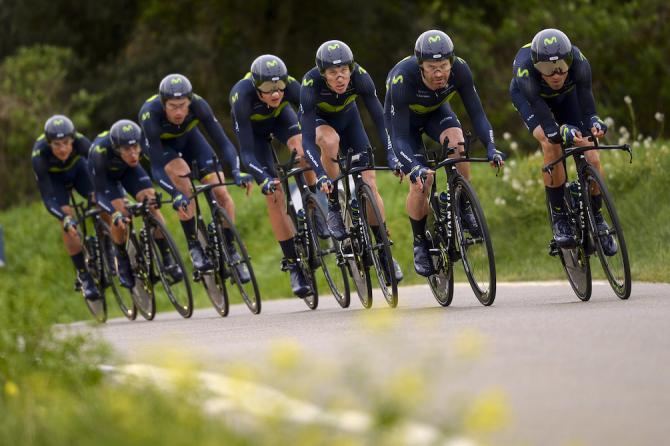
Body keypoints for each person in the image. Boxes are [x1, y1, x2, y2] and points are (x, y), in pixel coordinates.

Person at [384, 29, 504, 277]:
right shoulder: (402, 79)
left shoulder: (460, 69)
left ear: (451, 62)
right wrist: (413, 167)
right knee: (421, 182)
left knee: (458, 143)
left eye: (444, 65)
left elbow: (477, 114)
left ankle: (462, 203)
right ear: (420, 66)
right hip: (405, 127)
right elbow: (397, 137)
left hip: (436, 113)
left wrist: (491, 147)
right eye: (431, 67)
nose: (439, 73)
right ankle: (420, 243)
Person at [300, 39, 403, 283]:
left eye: (344, 71)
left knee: (370, 183)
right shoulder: (310, 84)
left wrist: (391, 153)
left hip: (350, 122)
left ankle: (383, 250)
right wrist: (320, 174)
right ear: (323, 74)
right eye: (333, 72)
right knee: (330, 141)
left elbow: (381, 119)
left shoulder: (361, 78)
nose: (340, 77)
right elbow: (306, 141)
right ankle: (334, 203)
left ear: (351, 69)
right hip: (321, 125)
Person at [509, 28, 615, 254]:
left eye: (560, 67)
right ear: (536, 65)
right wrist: (561, 131)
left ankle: (597, 216)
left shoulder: (579, 61)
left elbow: (587, 101)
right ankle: (559, 217)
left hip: (568, 98)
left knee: (590, 151)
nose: (555, 74)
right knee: (551, 144)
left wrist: (594, 121)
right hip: (532, 101)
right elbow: (548, 125)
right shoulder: (524, 69)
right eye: (547, 69)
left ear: (569, 60)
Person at [230, 54, 327, 297]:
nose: (275, 93)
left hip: (282, 120)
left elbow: (316, 115)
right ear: (256, 86)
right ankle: (293, 264)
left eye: (279, 87)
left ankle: (314, 205)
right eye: (267, 88)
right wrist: (263, 178)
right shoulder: (241, 96)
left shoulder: (292, 87)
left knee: (303, 150)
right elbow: (247, 154)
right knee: (274, 196)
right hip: (255, 136)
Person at [139, 73, 252, 279]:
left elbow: (224, 142)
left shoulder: (199, 105)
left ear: (190, 101)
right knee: (183, 181)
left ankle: (231, 248)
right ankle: (194, 246)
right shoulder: (150, 115)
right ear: (163, 104)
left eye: (183, 105)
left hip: (190, 139)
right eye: (173, 106)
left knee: (222, 192)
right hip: (162, 148)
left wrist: (236, 171)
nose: (179, 111)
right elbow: (156, 168)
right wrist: (174, 193)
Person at [88, 119, 183, 289]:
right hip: (106, 179)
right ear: (117, 148)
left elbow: (158, 167)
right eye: (127, 149)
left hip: (130, 171)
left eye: (135, 148)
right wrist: (113, 213)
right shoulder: (99, 151)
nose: (133, 153)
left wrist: (171, 192)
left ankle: (166, 258)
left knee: (151, 203)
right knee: (121, 215)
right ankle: (122, 259)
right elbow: (100, 194)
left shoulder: (141, 144)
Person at [31, 115, 101, 300]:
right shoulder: (39, 155)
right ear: (48, 143)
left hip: (79, 171)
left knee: (100, 199)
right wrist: (64, 218)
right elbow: (47, 197)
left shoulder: (82, 143)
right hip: (55, 183)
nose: (62, 149)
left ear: (73, 140)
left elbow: (101, 170)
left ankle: (108, 245)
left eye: (66, 143)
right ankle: (83, 275)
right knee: (66, 218)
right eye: (56, 145)